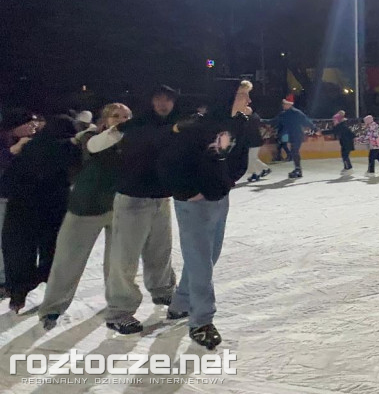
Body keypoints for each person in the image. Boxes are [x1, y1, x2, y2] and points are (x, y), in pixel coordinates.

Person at [158, 79, 251, 350]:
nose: (248, 102)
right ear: (229, 97)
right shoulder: (195, 127)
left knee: (210, 255)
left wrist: (224, 184)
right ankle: (201, 321)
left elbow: (238, 160)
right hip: (193, 202)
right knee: (200, 259)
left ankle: (180, 303)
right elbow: (167, 163)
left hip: (219, 198)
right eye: (244, 95)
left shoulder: (239, 123)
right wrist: (188, 192)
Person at [89, 84, 180, 334]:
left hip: (161, 199)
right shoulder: (133, 126)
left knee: (160, 251)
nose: (163, 104)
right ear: (149, 102)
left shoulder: (174, 126)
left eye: (168, 100)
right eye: (158, 99)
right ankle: (119, 311)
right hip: (132, 200)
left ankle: (163, 292)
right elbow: (94, 146)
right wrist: (113, 130)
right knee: (125, 258)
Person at [38, 104, 131, 329]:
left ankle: (117, 307)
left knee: (118, 264)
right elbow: (94, 147)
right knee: (67, 261)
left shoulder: (133, 140)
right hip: (85, 207)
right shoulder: (91, 137)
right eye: (115, 116)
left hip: (120, 207)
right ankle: (52, 308)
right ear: (105, 120)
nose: (121, 120)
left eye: (126, 117)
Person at [0, 115, 81, 313]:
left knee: (19, 250)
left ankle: (18, 292)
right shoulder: (69, 148)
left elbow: (10, 176)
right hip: (54, 205)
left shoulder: (27, 146)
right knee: (52, 248)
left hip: (21, 203)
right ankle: (47, 286)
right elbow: (75, 172)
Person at [0, 109, 38, 299]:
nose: (33, 126)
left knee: (18, 242)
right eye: (28, 123)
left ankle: (14, 278)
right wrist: (15, 149)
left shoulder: (33, 143)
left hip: (23, 198)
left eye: (34, 123)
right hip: (3, 197)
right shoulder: (6, 141)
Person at [267, 94, 316, 179]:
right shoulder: (283, 114)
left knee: (294, 151)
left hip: (297, 135)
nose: (283, 105)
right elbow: (274, 121)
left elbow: (306, 121)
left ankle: (298, 169)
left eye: (285, 104)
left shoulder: (297, 113)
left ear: (289, 104)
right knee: (294, 151)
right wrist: (259, 120)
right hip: (291, 135)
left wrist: (315, 129)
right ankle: (298, 169)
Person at [241, 81, 271, 182]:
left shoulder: (251, 119)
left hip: (254, 141)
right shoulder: (253, 118)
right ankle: (265, 169)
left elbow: (249, 130)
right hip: (254, 141)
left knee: (251, 158)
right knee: (252, 158)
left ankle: (256, 173)